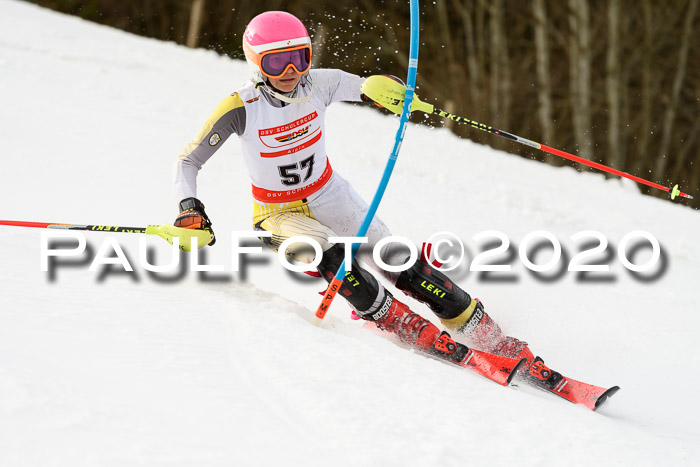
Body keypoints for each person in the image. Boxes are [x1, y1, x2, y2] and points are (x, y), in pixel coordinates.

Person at [172, 11, 543, 378]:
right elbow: (188, 161)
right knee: (329, 253)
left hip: (328, 193)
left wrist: (393, 93)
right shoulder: (241, 107)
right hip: (278, 214)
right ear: (256, 64)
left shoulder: (320, 83)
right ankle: (402, 324)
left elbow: (368, 87)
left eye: (299, 58)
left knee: (400, 262)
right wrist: (190, 208)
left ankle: (489, 337)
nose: (291, 73)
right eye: (277, 63)